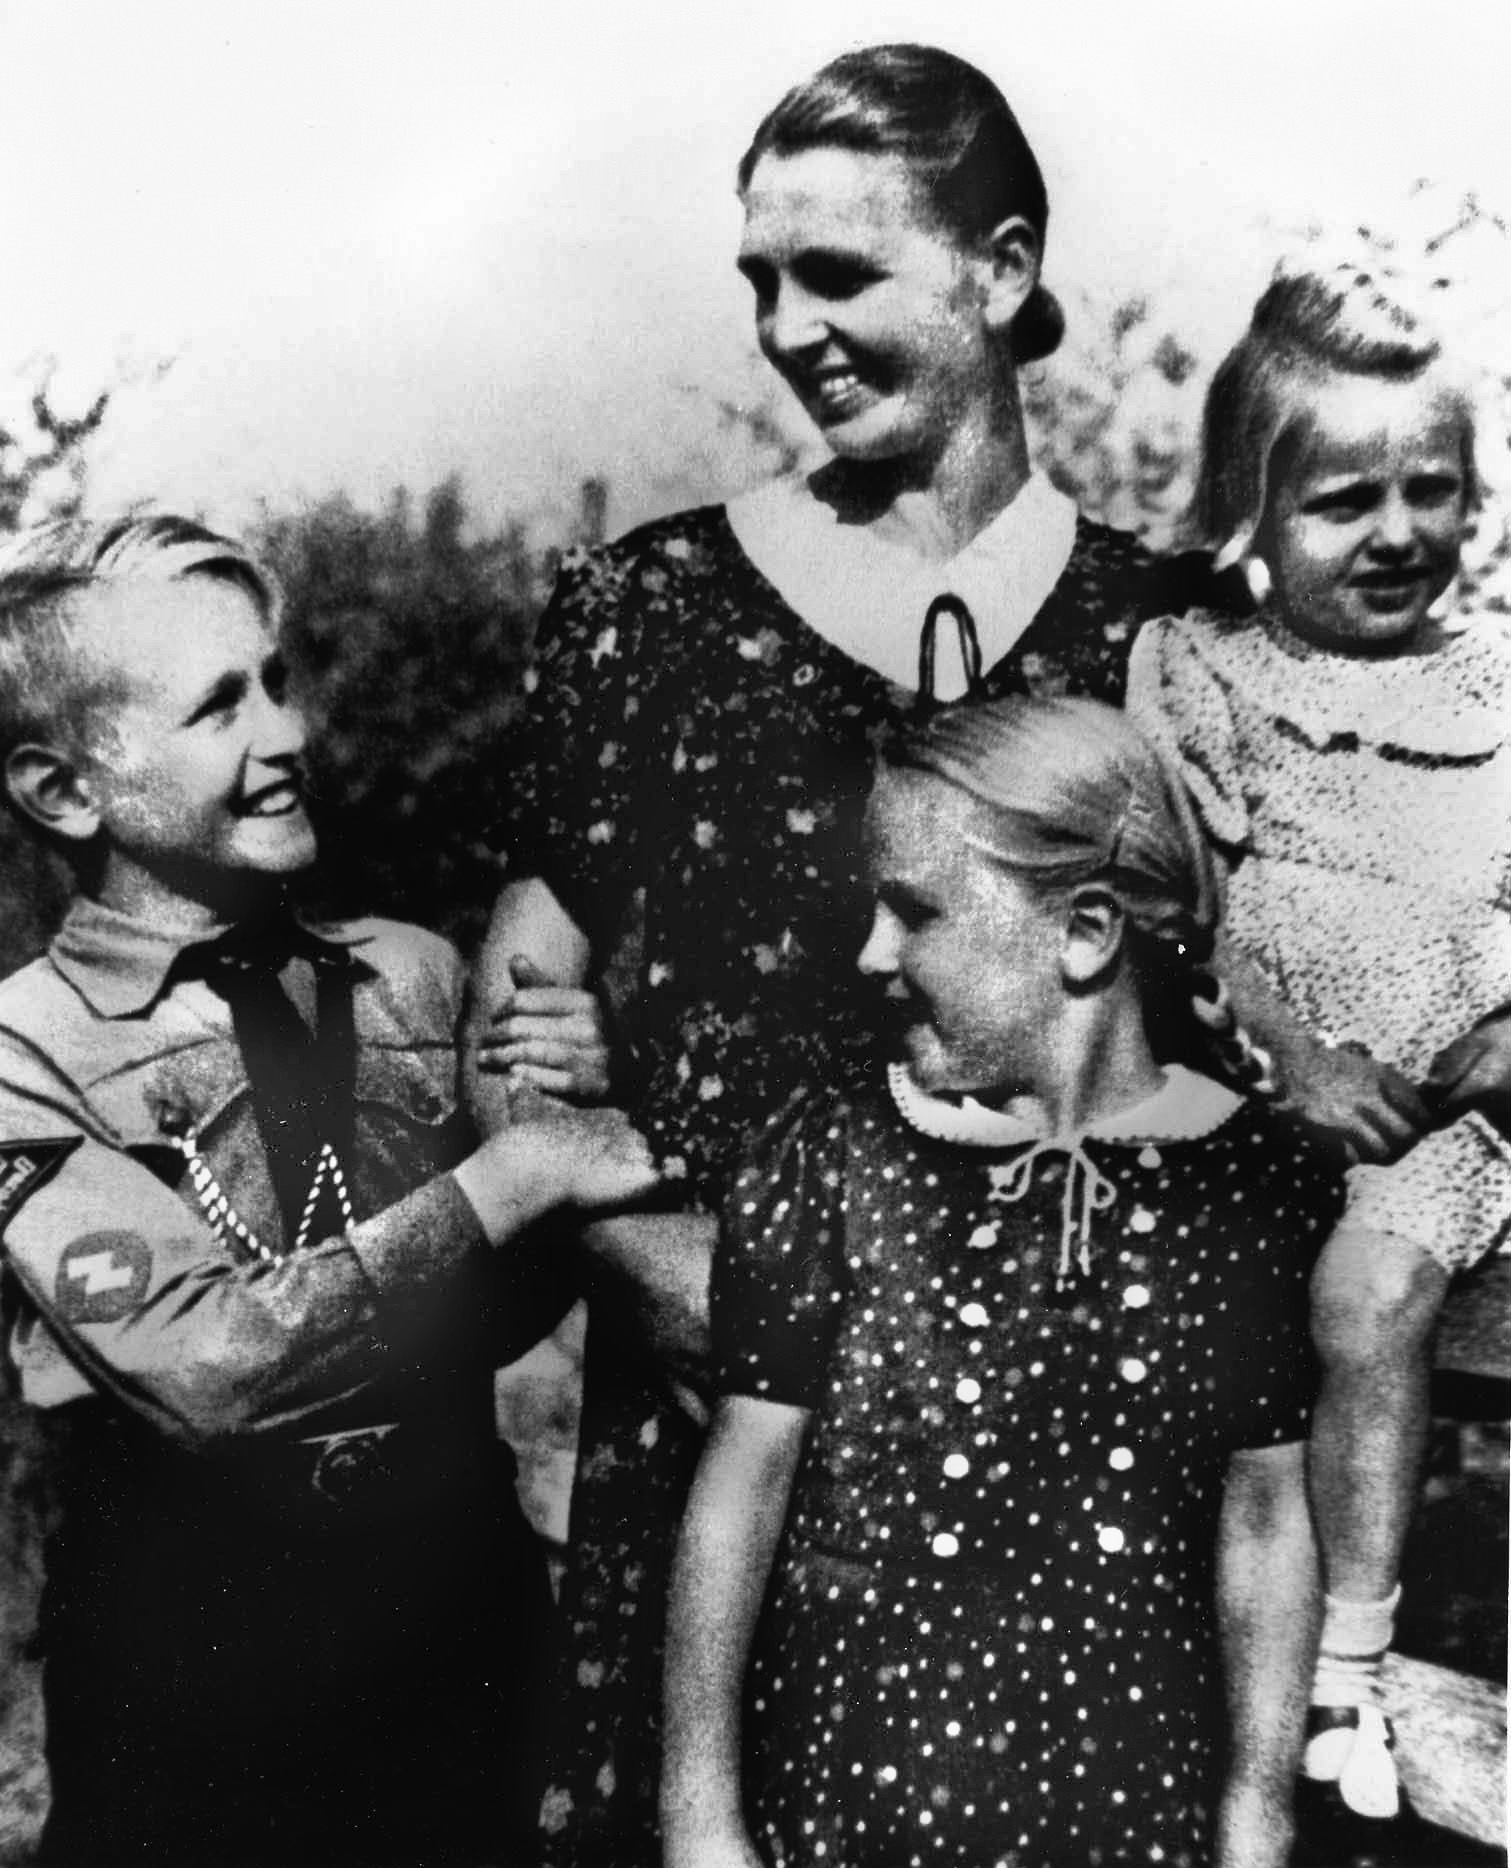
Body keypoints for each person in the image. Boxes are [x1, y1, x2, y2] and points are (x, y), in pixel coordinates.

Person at [473, 45, 1225, 1862]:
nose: (789, 327)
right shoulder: (649, 607)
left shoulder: (1166, 631)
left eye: (838, 273)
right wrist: (649, 1258)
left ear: (1000, 267)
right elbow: (520, 998)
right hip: (710, 1420)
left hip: (1077, 1466)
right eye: (759, 282)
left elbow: (1233, 1021)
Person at [0, 516, 658, 1868]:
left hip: (454, 1628)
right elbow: (203, 1367)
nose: (286, 734)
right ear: (64, 792)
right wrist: (510, 1177)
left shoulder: (414, 974)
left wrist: (587, 1102)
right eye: (215, 707)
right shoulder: (27, 1052)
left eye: (279, 680)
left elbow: (520, 1296)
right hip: (191, 1664)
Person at [661, 695, 1341, 1868]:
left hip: (1128, 1815)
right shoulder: (839, 1154)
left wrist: (1255, 1820)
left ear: (1083, 933)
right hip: (850, 1801)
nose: (870, 950)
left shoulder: (1249, 1187)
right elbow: (739, 1490)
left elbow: (1265, 1514)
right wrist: (700, 1818)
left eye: (912, 909)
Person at [1126, 264, 1511, 1828]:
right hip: (1264, 1109)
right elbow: (1180, 910)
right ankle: (1211, 1652)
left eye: (1431, 489)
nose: (1394, 530)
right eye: (1345, 498)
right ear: (1254, 513)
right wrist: (1286, 1056)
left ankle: (1346, 1663)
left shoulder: (1494, 688)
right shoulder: (1203, 670)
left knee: (1369, 1292)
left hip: (1458, 1124)